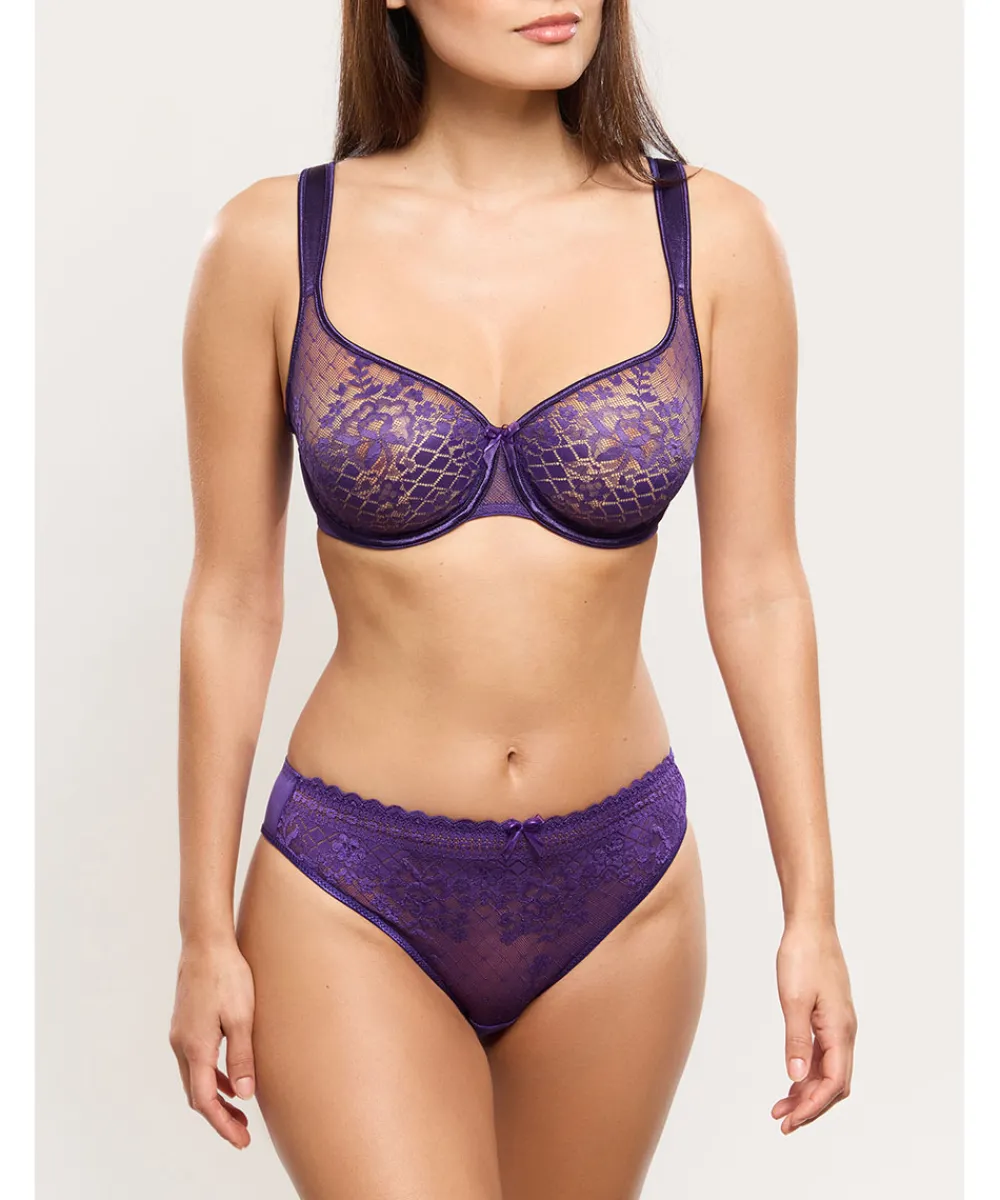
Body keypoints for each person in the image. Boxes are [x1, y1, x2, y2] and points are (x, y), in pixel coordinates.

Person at [169, 2, 858, 1196]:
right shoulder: (274, 243)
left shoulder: (712, 236)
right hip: (351, 887)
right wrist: (200, 932)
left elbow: (757, 588)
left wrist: (814, 914)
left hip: (621, 894)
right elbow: (231, 602)